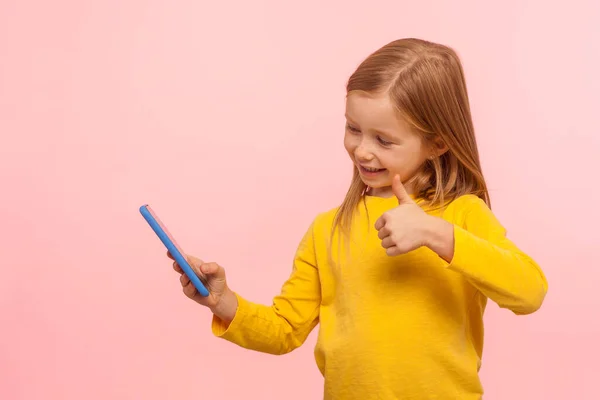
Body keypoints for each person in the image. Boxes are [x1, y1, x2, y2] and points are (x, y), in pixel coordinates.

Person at [168, 37, 548, 399]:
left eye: (383, 140)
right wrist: (223, 302)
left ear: (437, 143)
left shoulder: (460, 215)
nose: (362, 151)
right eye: (353, 129)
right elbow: (284, 330)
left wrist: (439, 234)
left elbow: (529, 292)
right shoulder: (328, 229)